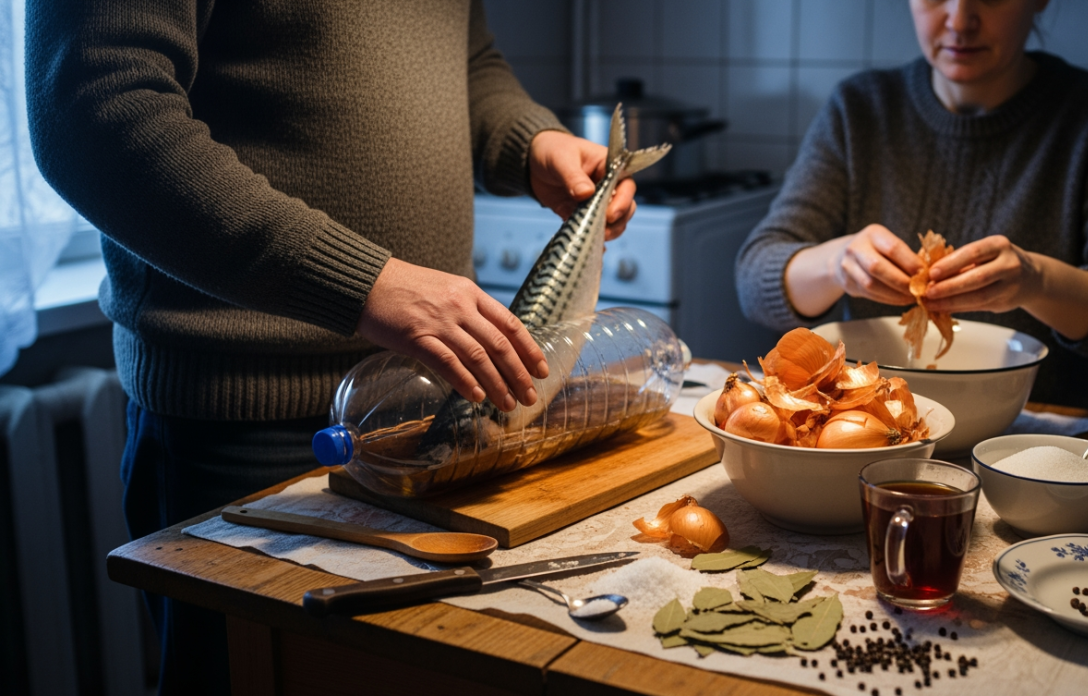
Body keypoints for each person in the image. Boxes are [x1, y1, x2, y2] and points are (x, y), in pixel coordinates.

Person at [26, 2, 636, 693]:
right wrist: (363, 284)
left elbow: (466, 59)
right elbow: (93, 108)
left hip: (440, 414)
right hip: (246, 430)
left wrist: (528, 142)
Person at [736, 0, 1088, 412]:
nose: (959, 20)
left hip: (1051, 438)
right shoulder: (860, 109)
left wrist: (1035, 281)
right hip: (883, 433)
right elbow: (754, 279)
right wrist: (838, 263)